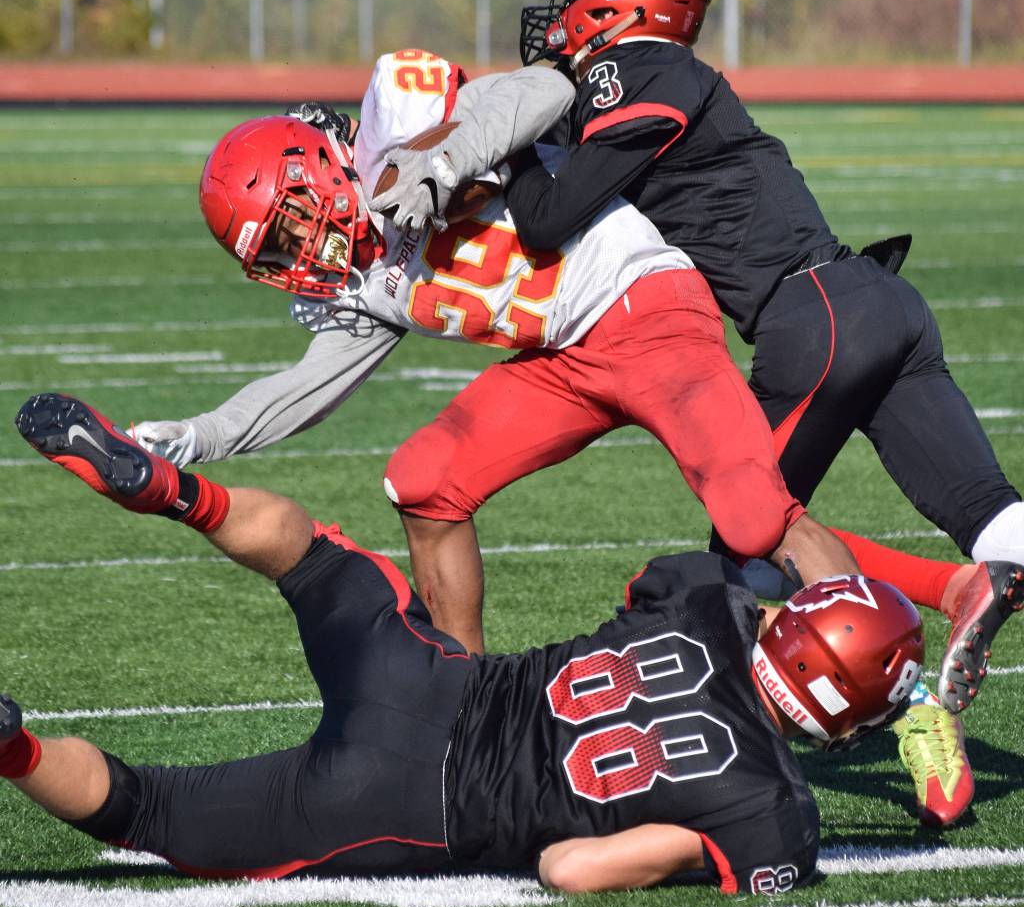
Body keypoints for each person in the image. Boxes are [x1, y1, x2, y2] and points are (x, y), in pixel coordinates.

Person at [432, 0, 1024, 722]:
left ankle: (901, 707)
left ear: (621, 1)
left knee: (747, 549)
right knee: (994, 515)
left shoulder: (635, 66)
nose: (561, 10)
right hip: (884, 303)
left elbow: (546, 218)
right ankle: (957, 629)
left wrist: (521, 135)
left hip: (811, 318)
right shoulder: (662, 74)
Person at [7, 391, 926, 894]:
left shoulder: (704, 597)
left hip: (432, 678)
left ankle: (176, 492)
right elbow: (571, 869)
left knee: (313, 559)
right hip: (405, 801)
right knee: (149, 812)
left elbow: (663, 597)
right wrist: (694, 843)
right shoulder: (770, 815)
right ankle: (12, 745)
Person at [125, 51, 860, 659]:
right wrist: (201, 435)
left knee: (754, 518)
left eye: (291, 227)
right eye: (279, 253)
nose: (302, 253)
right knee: (423, 482)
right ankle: (463, 703)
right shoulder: (361, 279)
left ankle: (907, 691)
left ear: (313, 167)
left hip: (644, 309)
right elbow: (307, 385)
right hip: (566, 361)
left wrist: (444, 162)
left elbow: (547, 87)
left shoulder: (395, 135)